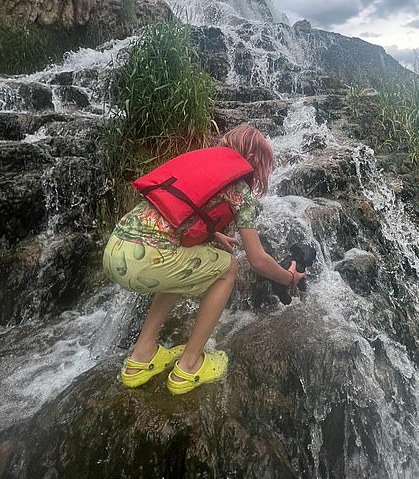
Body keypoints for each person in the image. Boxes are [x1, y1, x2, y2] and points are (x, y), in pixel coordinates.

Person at [101, 123, 305, 395]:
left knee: (178, 261)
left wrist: (214, 234)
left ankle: (141, 357)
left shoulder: (200, 167)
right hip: (146, 261)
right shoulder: (239, 192)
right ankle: (189, 365)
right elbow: (257, 259)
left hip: (116, 250)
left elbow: (177, 214)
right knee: (228, 267)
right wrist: (288, 277)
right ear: (256, 162)